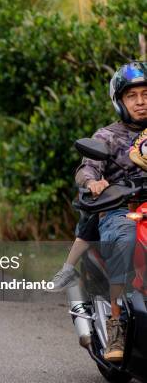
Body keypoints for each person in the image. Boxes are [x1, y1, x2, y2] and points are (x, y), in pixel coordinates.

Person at [72, 61, 147, 362]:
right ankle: (116, 324)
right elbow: (85, 169)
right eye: (133, 96)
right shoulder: (107, 137)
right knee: (125, 240)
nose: (141, 102)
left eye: (146, 94)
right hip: (121, 210)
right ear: (120, 101)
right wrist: (92, 183)